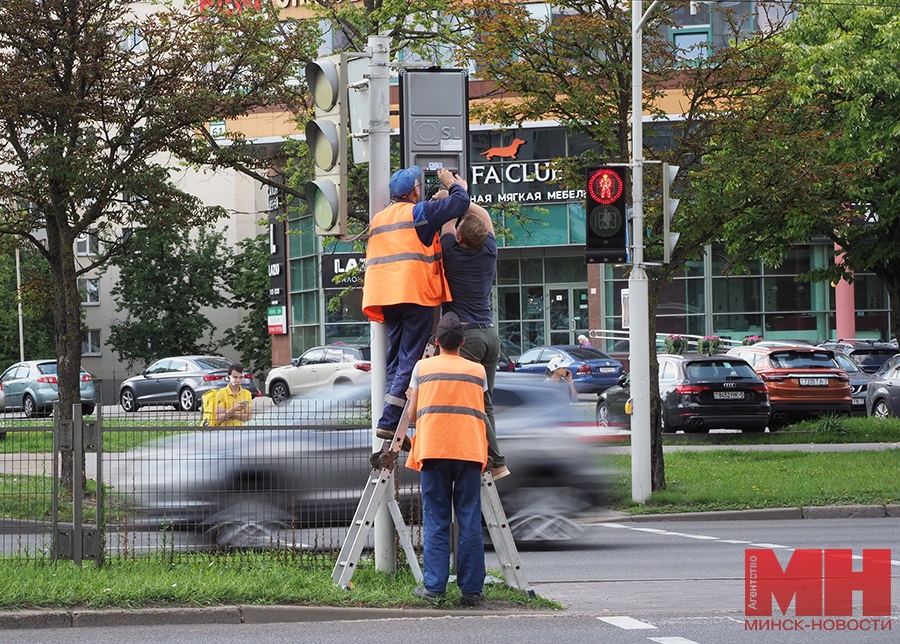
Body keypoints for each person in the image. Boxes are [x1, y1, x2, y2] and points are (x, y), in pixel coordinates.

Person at [362, 165, 471, 442]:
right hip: (414, 294)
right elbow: (461, 203)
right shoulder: (419, 212)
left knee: (396, 359)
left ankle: (391, 417)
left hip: (386, 297)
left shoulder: (378, 219)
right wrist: (451, 183)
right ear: (413, 191)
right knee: (409, 359)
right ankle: (389, 419)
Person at [405, 312, 488, 606]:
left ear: (437, 340)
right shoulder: (477, 371)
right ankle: (472, 590)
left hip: (434, 450)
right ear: (463, 342)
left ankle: (434, 588)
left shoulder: (422, 368)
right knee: (468, 520)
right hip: (469, 451)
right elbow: (481, 407)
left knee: (436, 520)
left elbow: (413, 414)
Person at [440, 202, 509, 479]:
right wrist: (462, 195)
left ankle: (497, 459)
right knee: (485, 401)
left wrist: (446, 197)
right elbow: (486, 217)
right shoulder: (490, 251)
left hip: (467, 338)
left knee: (472, 402)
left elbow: (444, 219)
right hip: (490, 336)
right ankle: (492, 457)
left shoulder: (451, 255)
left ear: (459, 238)